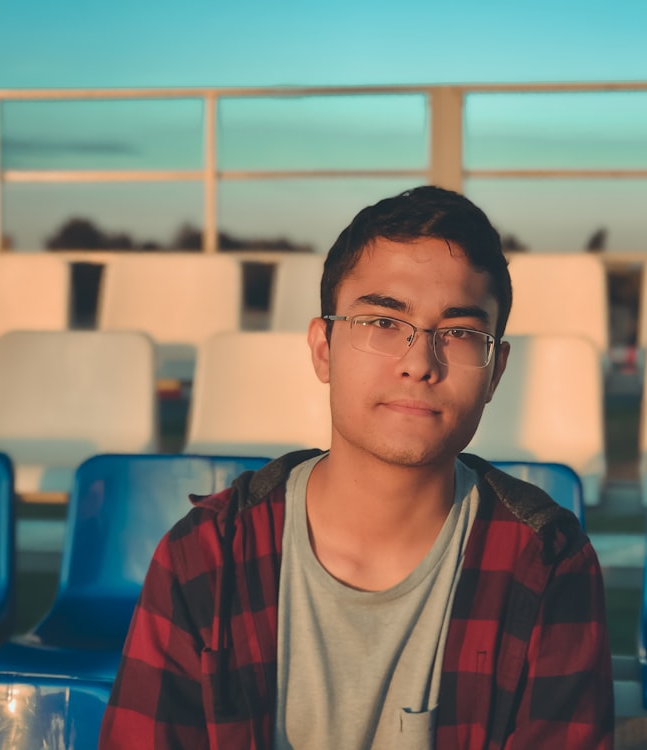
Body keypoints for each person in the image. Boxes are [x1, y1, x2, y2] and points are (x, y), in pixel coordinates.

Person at [99, 186, 614, 749]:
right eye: (382, 324)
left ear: (495, 372)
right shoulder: (206, 556)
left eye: (461, 333)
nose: (419, 363)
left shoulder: (547, 564)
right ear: (323, 348)